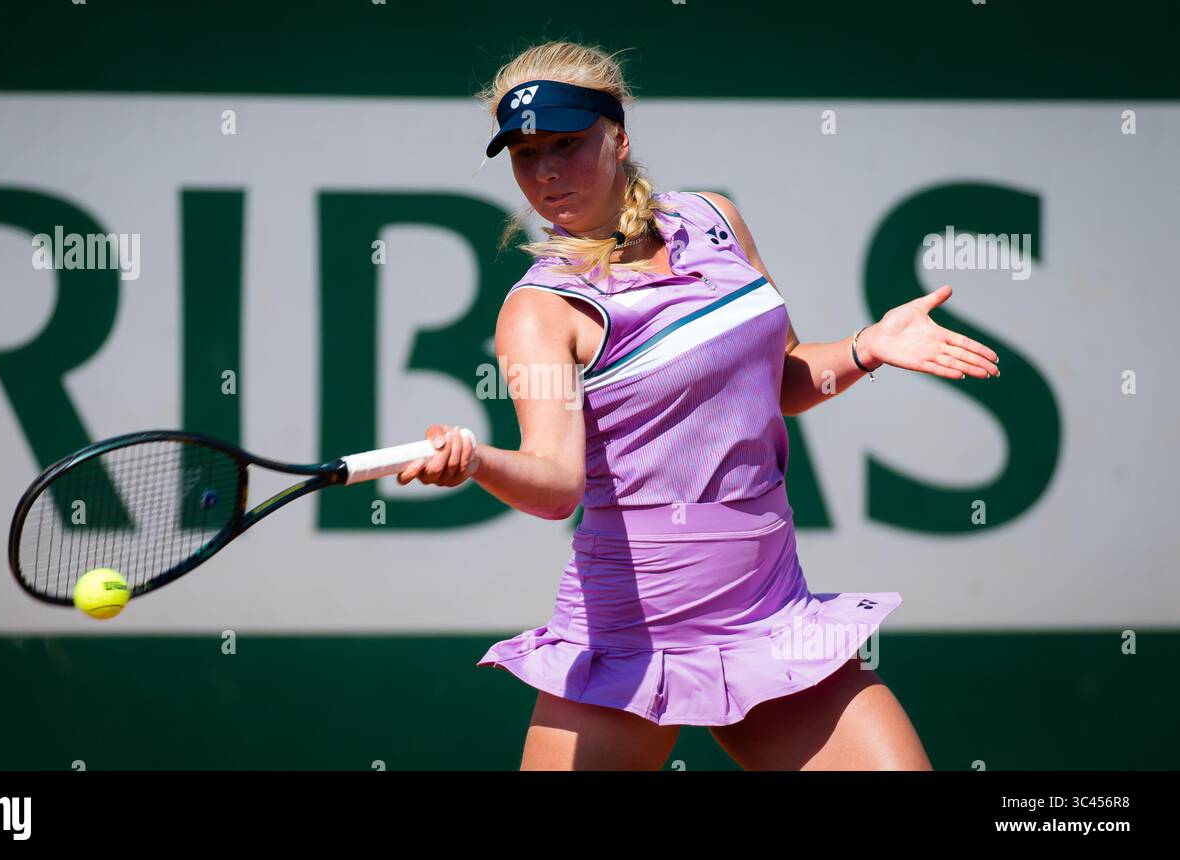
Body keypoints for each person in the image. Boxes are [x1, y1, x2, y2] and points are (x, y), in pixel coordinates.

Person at [397, 41, 998, 771]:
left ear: (618, 137)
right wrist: (476, 462)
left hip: (769, 614)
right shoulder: (542, 310)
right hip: (628, 636)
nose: (546, 171)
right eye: (525, 155)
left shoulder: (715, 220)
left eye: (566, 143)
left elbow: (782, 382)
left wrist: (867, 346)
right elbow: (555, 485)